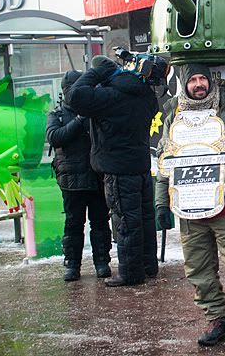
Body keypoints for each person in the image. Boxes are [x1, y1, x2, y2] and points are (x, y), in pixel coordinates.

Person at [154, 64, 225, 353]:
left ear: (211, 80)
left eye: (203, 77)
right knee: (199, 271)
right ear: (184, 84)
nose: (198, 84)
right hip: (190, 211)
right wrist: (161, 204)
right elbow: (165, 161)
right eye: (192, 79)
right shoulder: (174, 115)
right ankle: (216, 320)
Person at [66, 55, 159, 287]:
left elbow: (75, 96)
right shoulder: (145, 93)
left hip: (118, 169)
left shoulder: (108, 97)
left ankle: (129, 273)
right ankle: (148, 266)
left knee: (126, 222)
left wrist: (98, 72)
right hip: (141, 166)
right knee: (145, 219)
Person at [46, 70, 112, 282]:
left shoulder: (95, 111)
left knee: (100, 223)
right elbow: (55, 137)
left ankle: (102, 261)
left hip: (96, 176)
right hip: (71, 179)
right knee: (73, 224)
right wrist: (79, 119)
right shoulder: (56, 114)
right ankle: (72, 265)